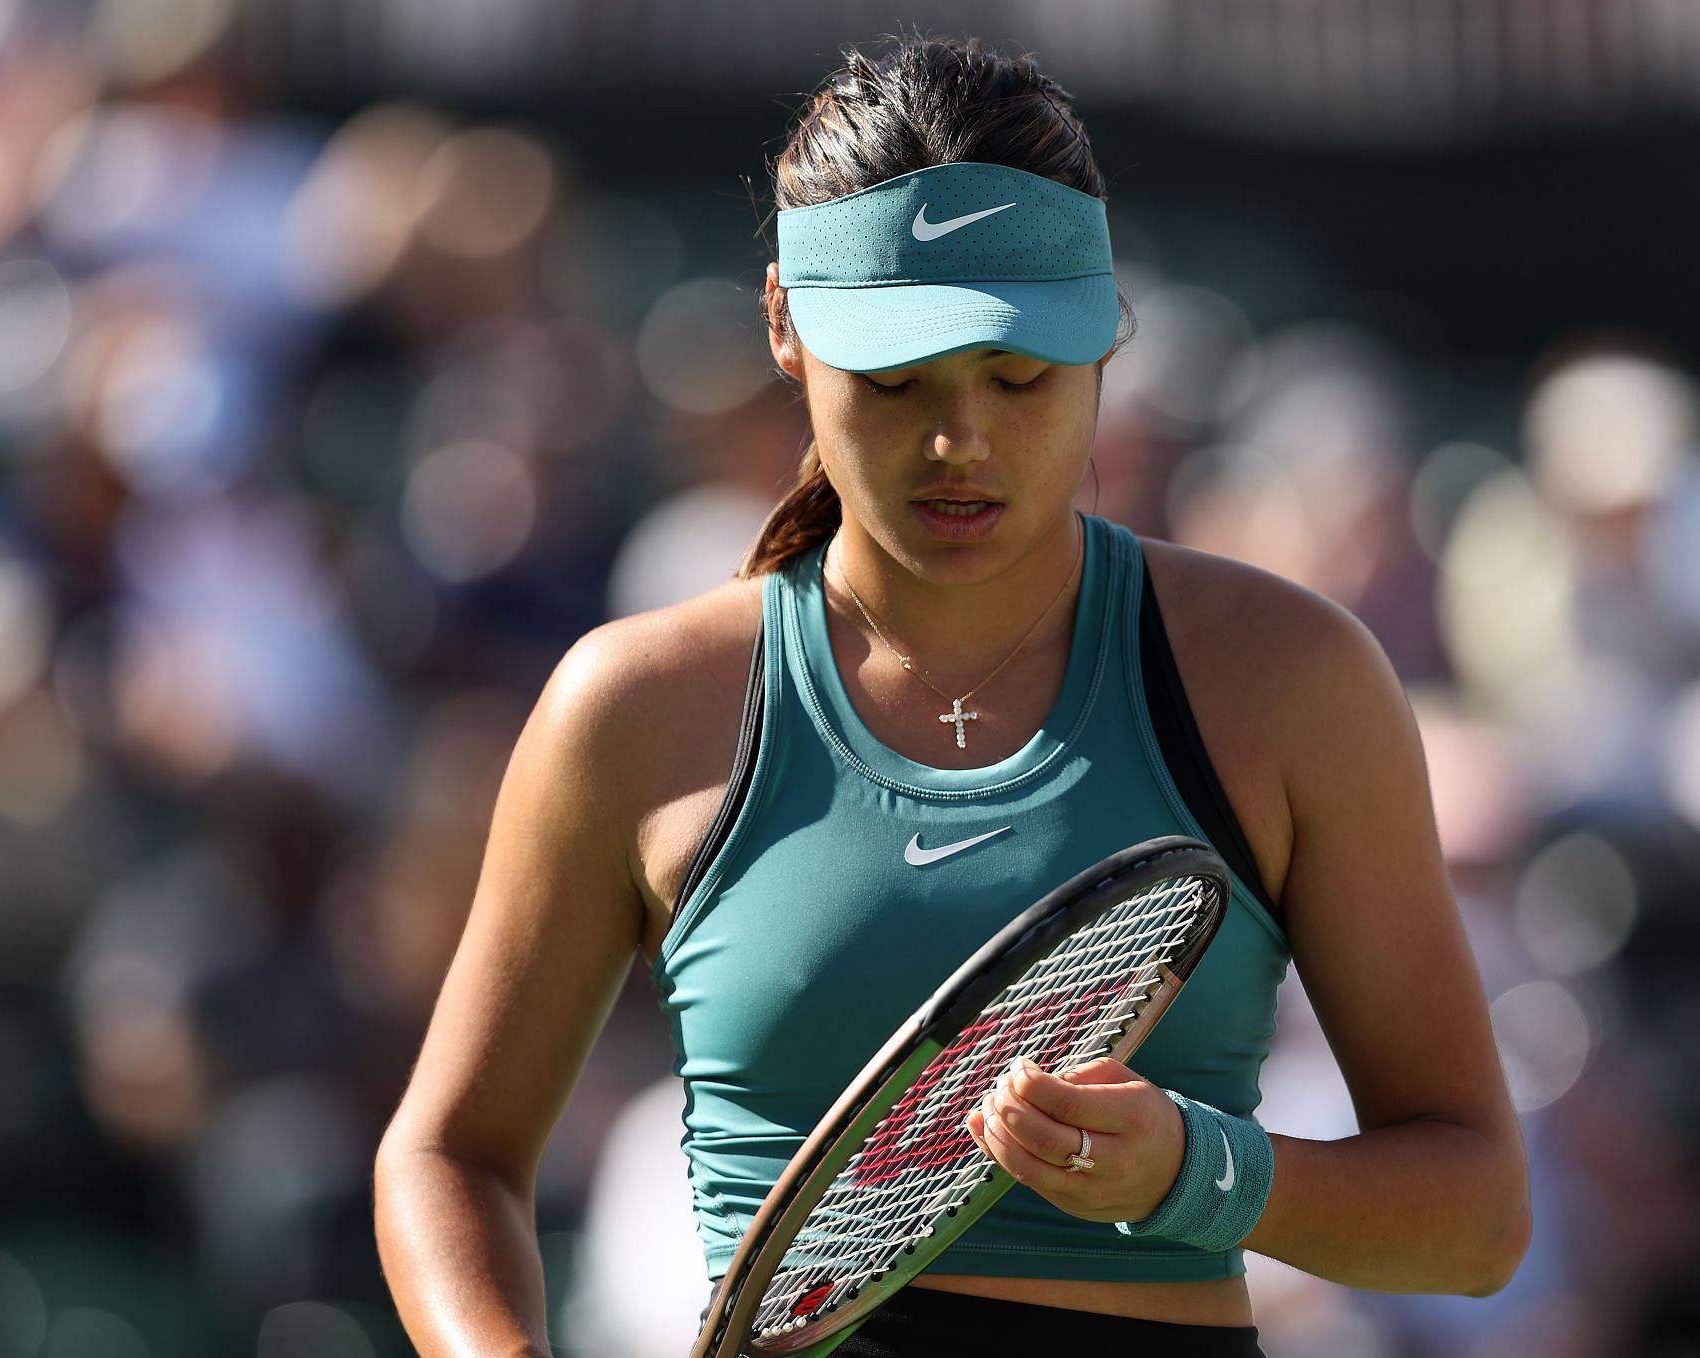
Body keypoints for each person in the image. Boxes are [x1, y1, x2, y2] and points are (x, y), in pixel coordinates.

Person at [373, 34, 1531, 1358]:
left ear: (1112, 335)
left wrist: (1195, 1173)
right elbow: (449, 1153)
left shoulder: (1292, 679)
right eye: (896, 381)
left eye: (1020, 376)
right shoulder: (631, 708)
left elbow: (1477, 1215)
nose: (960, 440)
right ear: (782, 327)